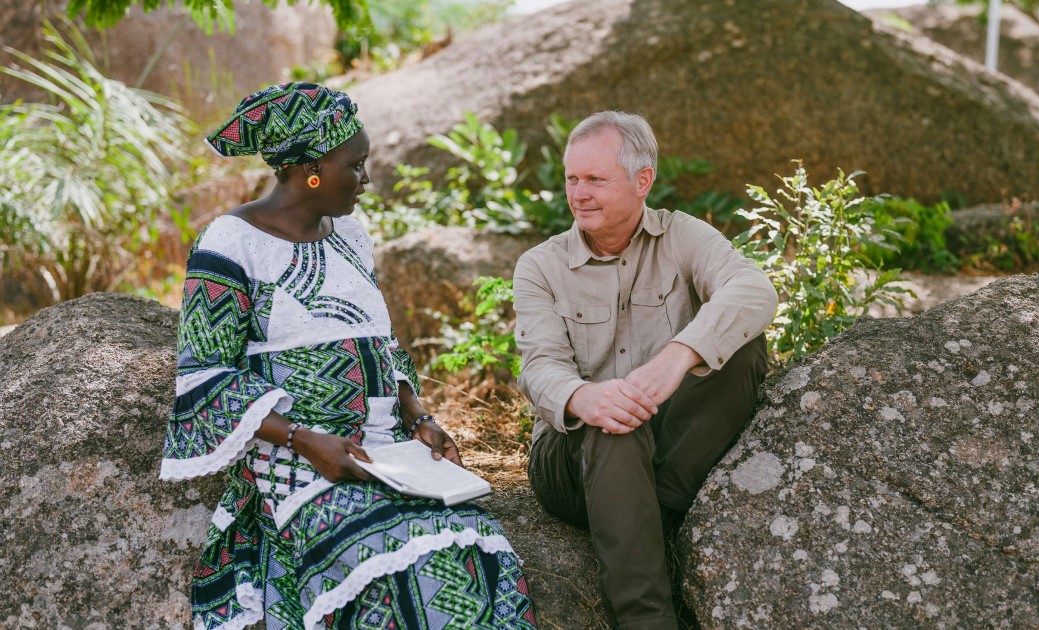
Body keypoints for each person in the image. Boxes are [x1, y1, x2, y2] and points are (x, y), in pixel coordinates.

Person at [160, 82, 537, 630]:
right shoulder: (228, 243)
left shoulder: (352, 237)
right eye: (356, 166)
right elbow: (205, 374)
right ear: (312, 168)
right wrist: (304, 439)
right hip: (297, 460)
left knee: (476, 544)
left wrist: (421, 418)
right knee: (394, 563)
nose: (367, 179)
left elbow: (381, 345)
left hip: (385, 453)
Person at [512, 111, 778, 629]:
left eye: (595, 179)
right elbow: (539, 367)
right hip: (572, 461)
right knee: (614, 422)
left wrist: (680, 354)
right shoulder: (540, 266)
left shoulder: (683, 236)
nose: (579, 194)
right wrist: (585, 398)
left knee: (742, 347)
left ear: (643, 181)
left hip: (666, 448)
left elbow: (754, 290)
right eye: (572, 178)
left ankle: (643, 518)